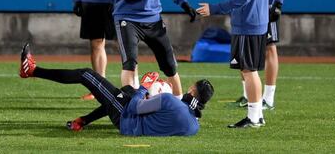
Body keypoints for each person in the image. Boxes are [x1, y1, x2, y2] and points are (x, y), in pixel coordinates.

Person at [19, 43, 214, 136]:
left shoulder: (171, 101)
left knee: (86, 74)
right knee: (127, 89)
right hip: (134, 121)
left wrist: (145, 86)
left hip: (125, 117)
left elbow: (135, 108)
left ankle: (32, 71)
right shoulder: (193, 127)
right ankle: (83, 120)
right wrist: (144, 95)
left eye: (190, 88)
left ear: (192, 92)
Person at [196, 0, 268, 128]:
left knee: (248, 70)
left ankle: (254, 118)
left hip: (248, 23)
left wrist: (214, 8)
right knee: (248, 69)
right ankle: (257, 115)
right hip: (255, 22)